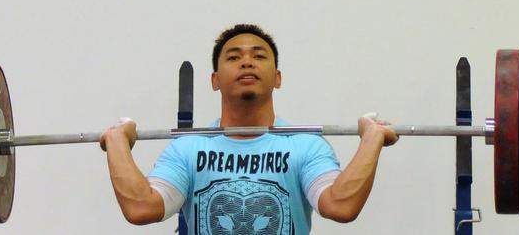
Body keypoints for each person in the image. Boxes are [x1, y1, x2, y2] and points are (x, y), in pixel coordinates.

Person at [101, 23, 398, 233]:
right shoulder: (189, 148)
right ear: (215, 80)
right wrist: (117, 142)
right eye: (234, 57)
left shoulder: (305, 145)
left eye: (258, 56)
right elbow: (142, 209)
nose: (247, 62)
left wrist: (371, 139)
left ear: (277, 77)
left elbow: (340, 206)